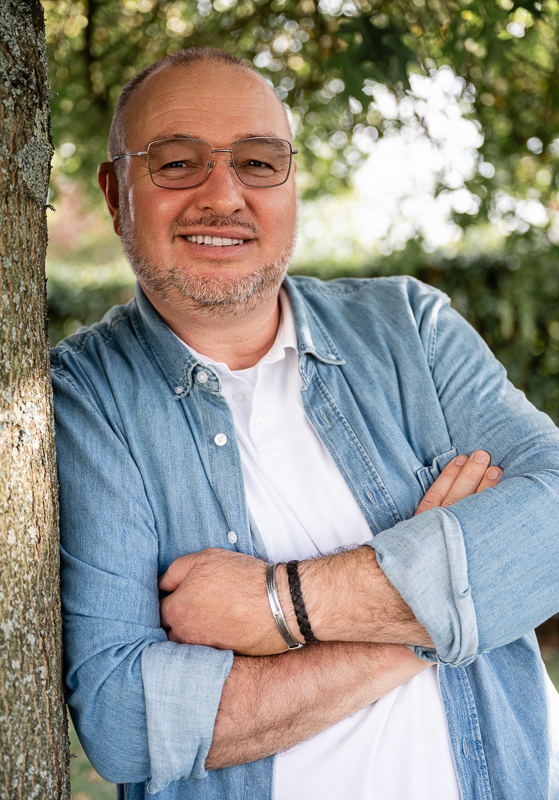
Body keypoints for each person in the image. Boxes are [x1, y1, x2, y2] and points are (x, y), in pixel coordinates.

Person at [51, 47, 559, 800]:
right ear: (116, 192)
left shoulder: (407, 327)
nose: (221, 195)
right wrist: (442, 615)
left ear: (290, 185)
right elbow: (127, 721)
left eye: (258, 163)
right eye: (176, 162)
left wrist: (279, 605)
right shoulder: (84, 395)